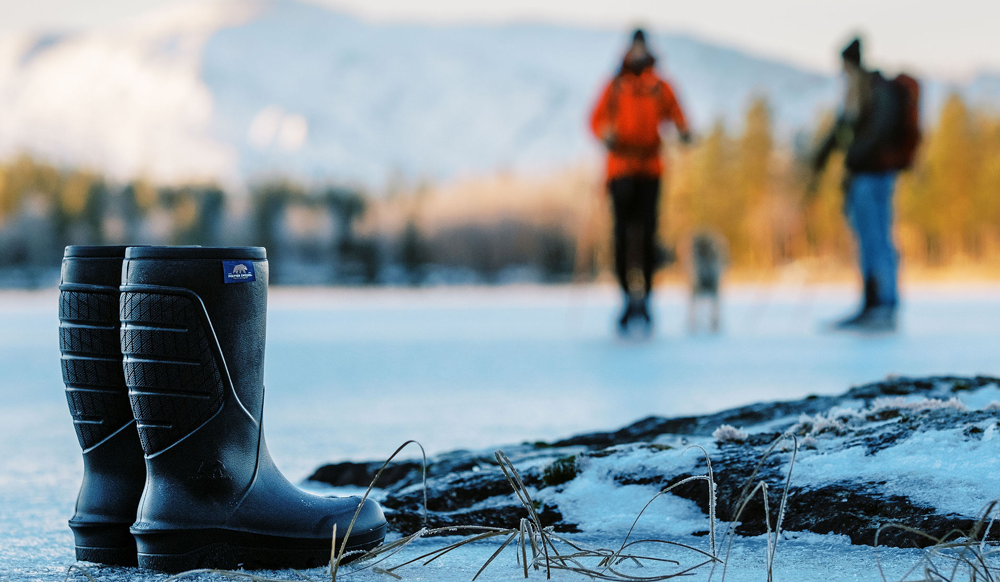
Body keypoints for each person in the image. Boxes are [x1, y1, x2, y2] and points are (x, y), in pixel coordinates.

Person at [811, 37, 919, 332]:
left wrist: (853, 158)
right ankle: (873, 302)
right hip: (863, 178)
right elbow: (840, 129)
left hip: (875, 176)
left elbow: (874, 134)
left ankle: (883, 303)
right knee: (869, 239)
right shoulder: (858, 95)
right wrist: (819, 159)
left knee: (877, 239)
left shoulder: (877, 92)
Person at [590, 29, 691, 335]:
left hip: (650, 168)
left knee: (647, 235)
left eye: (641, 48)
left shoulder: (660, 86)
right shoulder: (614, 86)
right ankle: (625, 298)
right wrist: (605, 133)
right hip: (620, 167)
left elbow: (678, 115)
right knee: (622, 236)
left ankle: (646, 298)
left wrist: (684, 131)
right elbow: (595, 120)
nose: (637, 53)